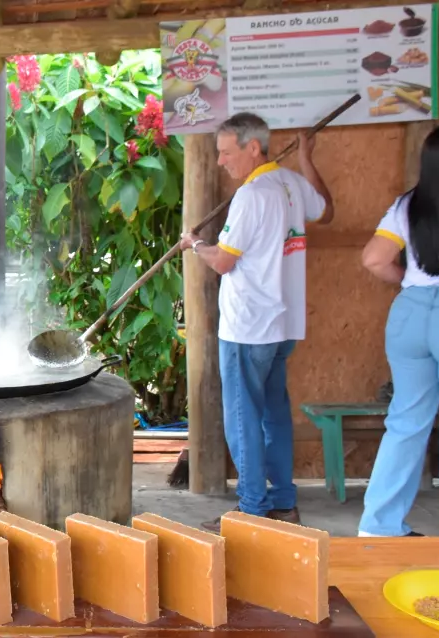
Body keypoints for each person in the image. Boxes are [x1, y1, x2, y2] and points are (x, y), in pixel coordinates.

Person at [179, 112, 334, 531]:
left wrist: (195, 246)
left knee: (244, 416)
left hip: (248, 327)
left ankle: (251, 509)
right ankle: (283, 500)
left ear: (253, 148)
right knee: (273, 414)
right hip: (282, 326)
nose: (221, 162)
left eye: (227, 153)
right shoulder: (292, 184)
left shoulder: (251, 195)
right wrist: (306, 159)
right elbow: (327, 210)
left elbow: (225, 261)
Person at [358, 121, 439, 538]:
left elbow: (374, 259)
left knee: (405, 423)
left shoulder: (407, 205)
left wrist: (410, 281)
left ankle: (378, 527)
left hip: (409, 314)